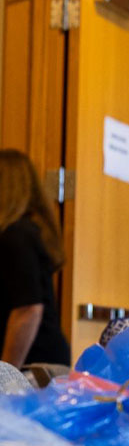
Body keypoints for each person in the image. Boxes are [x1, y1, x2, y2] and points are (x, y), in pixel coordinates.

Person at [0, 150, 70, 367]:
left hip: (32, 366)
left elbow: (28, 310)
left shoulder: (16, 236)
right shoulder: (27, 233)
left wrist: (5, 378)